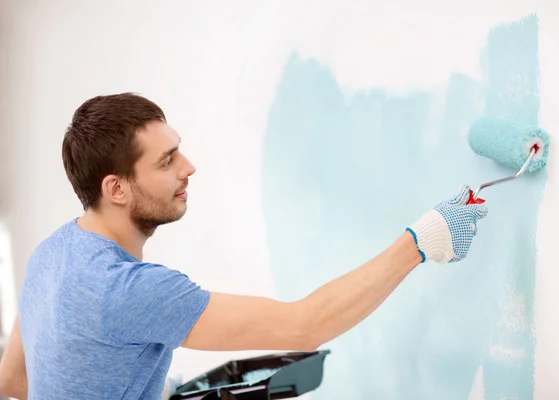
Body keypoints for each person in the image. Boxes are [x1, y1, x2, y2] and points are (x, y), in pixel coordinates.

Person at [0, 93, 488, 399]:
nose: (189, 166)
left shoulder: (51, 253)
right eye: (167, 160)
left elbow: (14, 385)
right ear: (117, 189)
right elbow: (305, 327)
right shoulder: (130, 291)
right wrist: (421, 242)